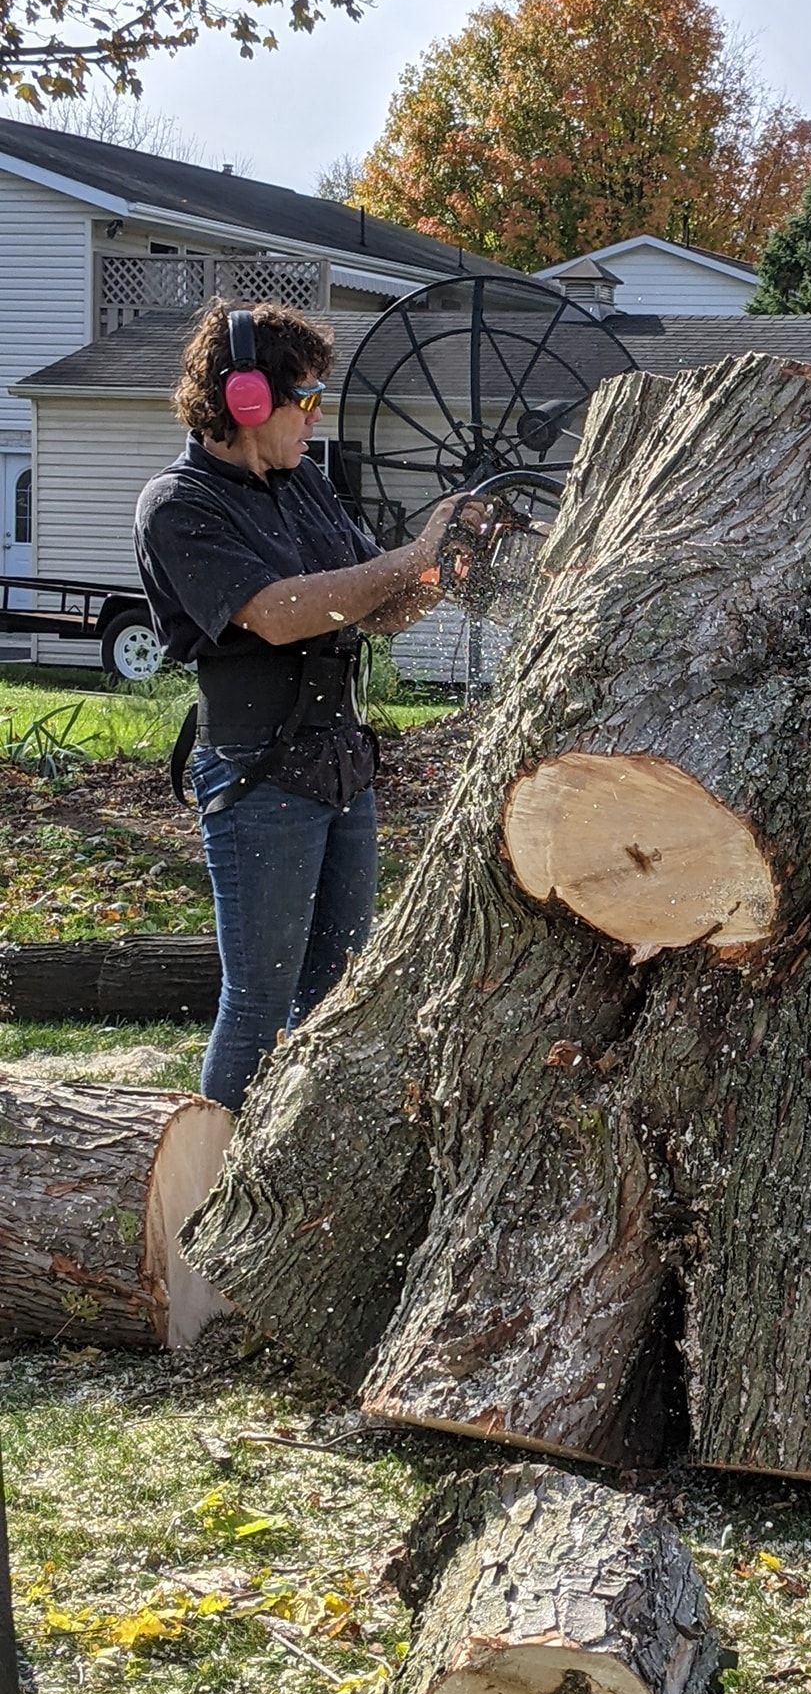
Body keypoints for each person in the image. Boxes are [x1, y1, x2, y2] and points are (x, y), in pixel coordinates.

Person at [135, 300, 460, 1112]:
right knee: (257, 1006)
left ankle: (299, 1174)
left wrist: (436, 569)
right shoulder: (177, 505)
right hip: (258, 779)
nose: (315, 418)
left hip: (341, 765)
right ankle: (216, 1193)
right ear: (247, 398)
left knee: (337, 997)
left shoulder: (305, 484)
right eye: (306, 400)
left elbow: (376, 610)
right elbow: (279, 613)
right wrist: (410, 557)